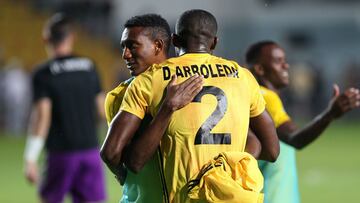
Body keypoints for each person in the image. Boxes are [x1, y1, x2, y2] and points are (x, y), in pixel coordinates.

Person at [101, 9, 280, 203]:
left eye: (132, 46)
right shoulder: (241, 75)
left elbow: (119, 156)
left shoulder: (145, 84)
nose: (125, 54)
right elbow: (269, 149)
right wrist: (224, 167)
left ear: (173, 41)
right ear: (214, 42)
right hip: (226, 196)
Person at [104, 13, 204, 203]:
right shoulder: (194, 85)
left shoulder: (118, 96)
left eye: (132, 46)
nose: (125, 54)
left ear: (158, 45)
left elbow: (113, 155)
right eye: (123, 47)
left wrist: (123, 176)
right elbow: (114, 153)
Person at [245, 40, 360, 203]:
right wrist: (330, 114)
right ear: (260, 69)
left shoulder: (251, 95)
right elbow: (295, 138)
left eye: (285, 61)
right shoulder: (264, 97)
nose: (286, 66)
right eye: (278, 61)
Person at [23, 13, 106, 203]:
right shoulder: (89, 67)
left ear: (46, 39)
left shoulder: (44, 73)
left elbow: (42, 117)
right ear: (72, 37)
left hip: (61, 154)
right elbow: (102, 111)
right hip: (90, 151)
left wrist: (30, 158)